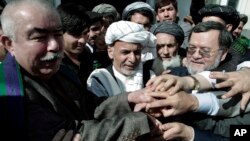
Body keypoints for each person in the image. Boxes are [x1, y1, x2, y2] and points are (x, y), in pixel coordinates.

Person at [0, 0, 162, 140]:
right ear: (9, 43)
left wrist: (131, 98)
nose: (54, 45)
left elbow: (91, 106)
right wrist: (140, 122)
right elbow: (72, 134)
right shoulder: (9, 92)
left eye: (57, 34)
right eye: (39, 37)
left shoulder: (63, 73)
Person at [87, 21, 156, 97]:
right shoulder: (100, 78)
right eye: (125, 52)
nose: (132, 59)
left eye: (137, 53)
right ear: (110, 52)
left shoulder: (149, 76)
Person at [57, 3, 90, 88]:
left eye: (85, 33)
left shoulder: (89, 57)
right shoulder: (55, 67)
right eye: (76, 34)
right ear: (60, 33)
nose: (82, 40)